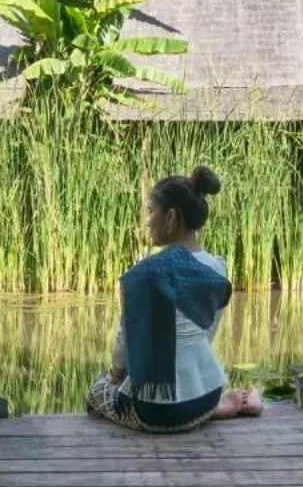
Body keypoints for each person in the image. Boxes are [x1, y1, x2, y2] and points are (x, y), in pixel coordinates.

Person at [86, 166, 266, 434]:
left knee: (97, 389)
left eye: (150, 211)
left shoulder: (143, 273)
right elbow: (207, 333)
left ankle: (209, 406)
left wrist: (114, 378)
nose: (147, 221)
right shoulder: (217, 268)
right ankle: (217, 406)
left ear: (170, 217)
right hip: (204, 397)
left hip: (154, 414)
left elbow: (124, 346)